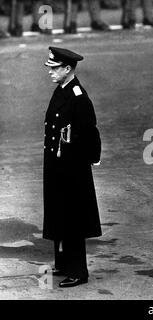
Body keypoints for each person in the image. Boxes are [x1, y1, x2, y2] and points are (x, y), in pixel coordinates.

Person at [43, 46, 102, 288]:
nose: (50, 72)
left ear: (67, 69)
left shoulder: (78, 97)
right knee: (58, 214)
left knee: (74, 219)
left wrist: (90, 160)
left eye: (54, 68)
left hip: (72, 169)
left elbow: (89, 132)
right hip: (57, 165)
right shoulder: (61, 90)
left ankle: (78, 271)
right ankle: (63, 263)